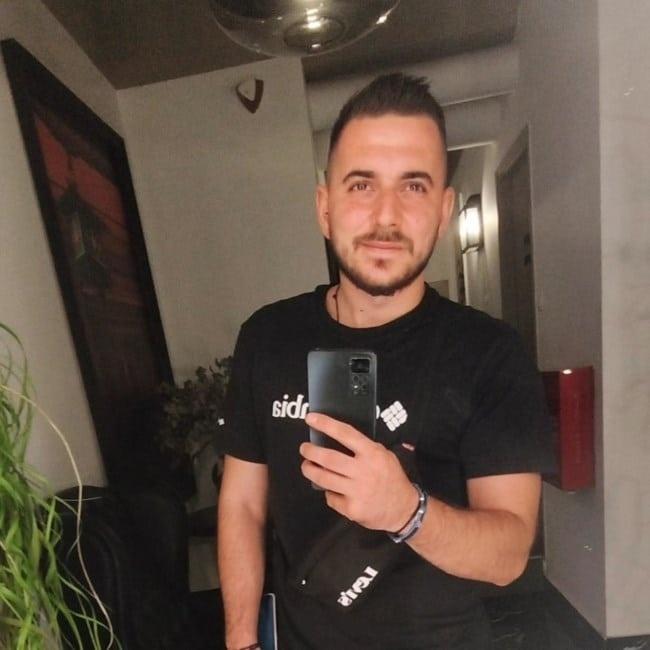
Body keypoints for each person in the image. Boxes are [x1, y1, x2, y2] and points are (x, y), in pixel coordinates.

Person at [217, 73, 554, 650]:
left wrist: (406, 511)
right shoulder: (267, 337)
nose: (386, 216)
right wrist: (241, 640)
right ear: (325, 207)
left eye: (414, 186)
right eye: (361, 185)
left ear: (444, 210)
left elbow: (508, 556)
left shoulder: (490, 353)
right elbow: (243, 504)